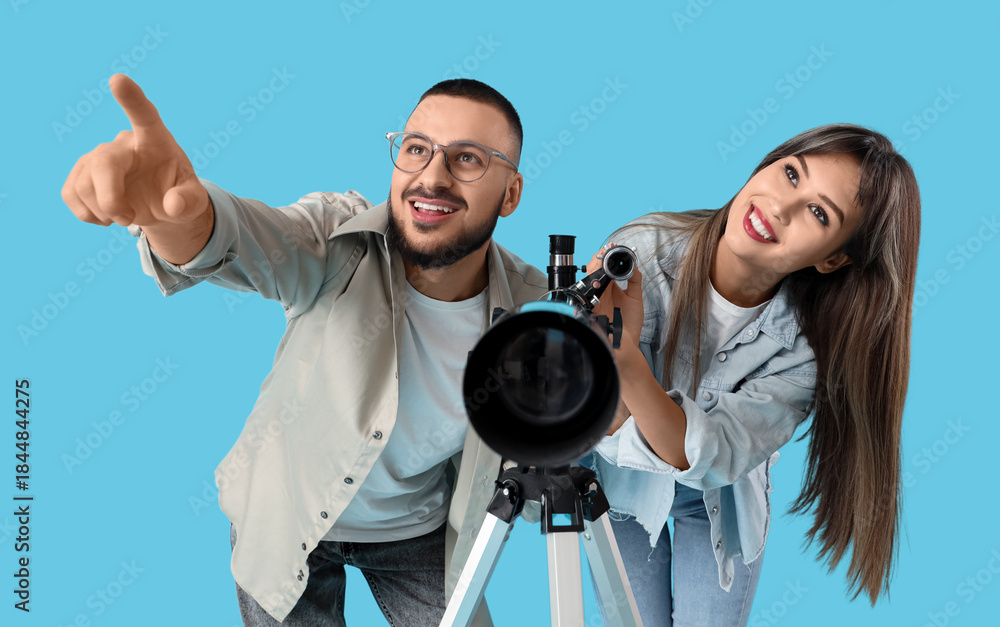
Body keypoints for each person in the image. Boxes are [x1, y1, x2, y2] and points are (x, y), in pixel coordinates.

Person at [61, 74, 547, 626]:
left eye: (467, 159)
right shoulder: (338, 239)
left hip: (417, 529)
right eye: (416, 150)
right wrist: (177, 218)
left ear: (510, 193)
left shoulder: (527, 314)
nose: (430, 177)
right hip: (286, 520)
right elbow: (246, 237)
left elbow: (527, 465)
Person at [585, 124, 920, 626]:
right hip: (621, 490)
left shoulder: (807, 350)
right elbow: (602, 425)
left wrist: (624, 357)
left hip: (721, 501)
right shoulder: (642, 255)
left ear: (832, 258)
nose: (780, 207)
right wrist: (605, 355)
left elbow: (706, 456)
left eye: (818, 212)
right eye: (790, 174)